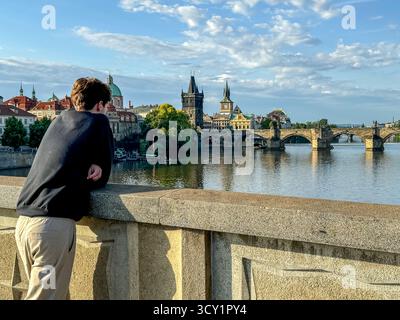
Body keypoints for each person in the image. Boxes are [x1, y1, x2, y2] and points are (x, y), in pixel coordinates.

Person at [15, 77, 114, 300]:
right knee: (45, 297)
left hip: (24, 225)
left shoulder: (58, 121)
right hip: (50, 232)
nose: (105, 112)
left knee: (49, 293)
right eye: (106, 107)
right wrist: (97, 166)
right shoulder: (99, 122)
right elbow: (103, 176)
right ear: (99, 105)